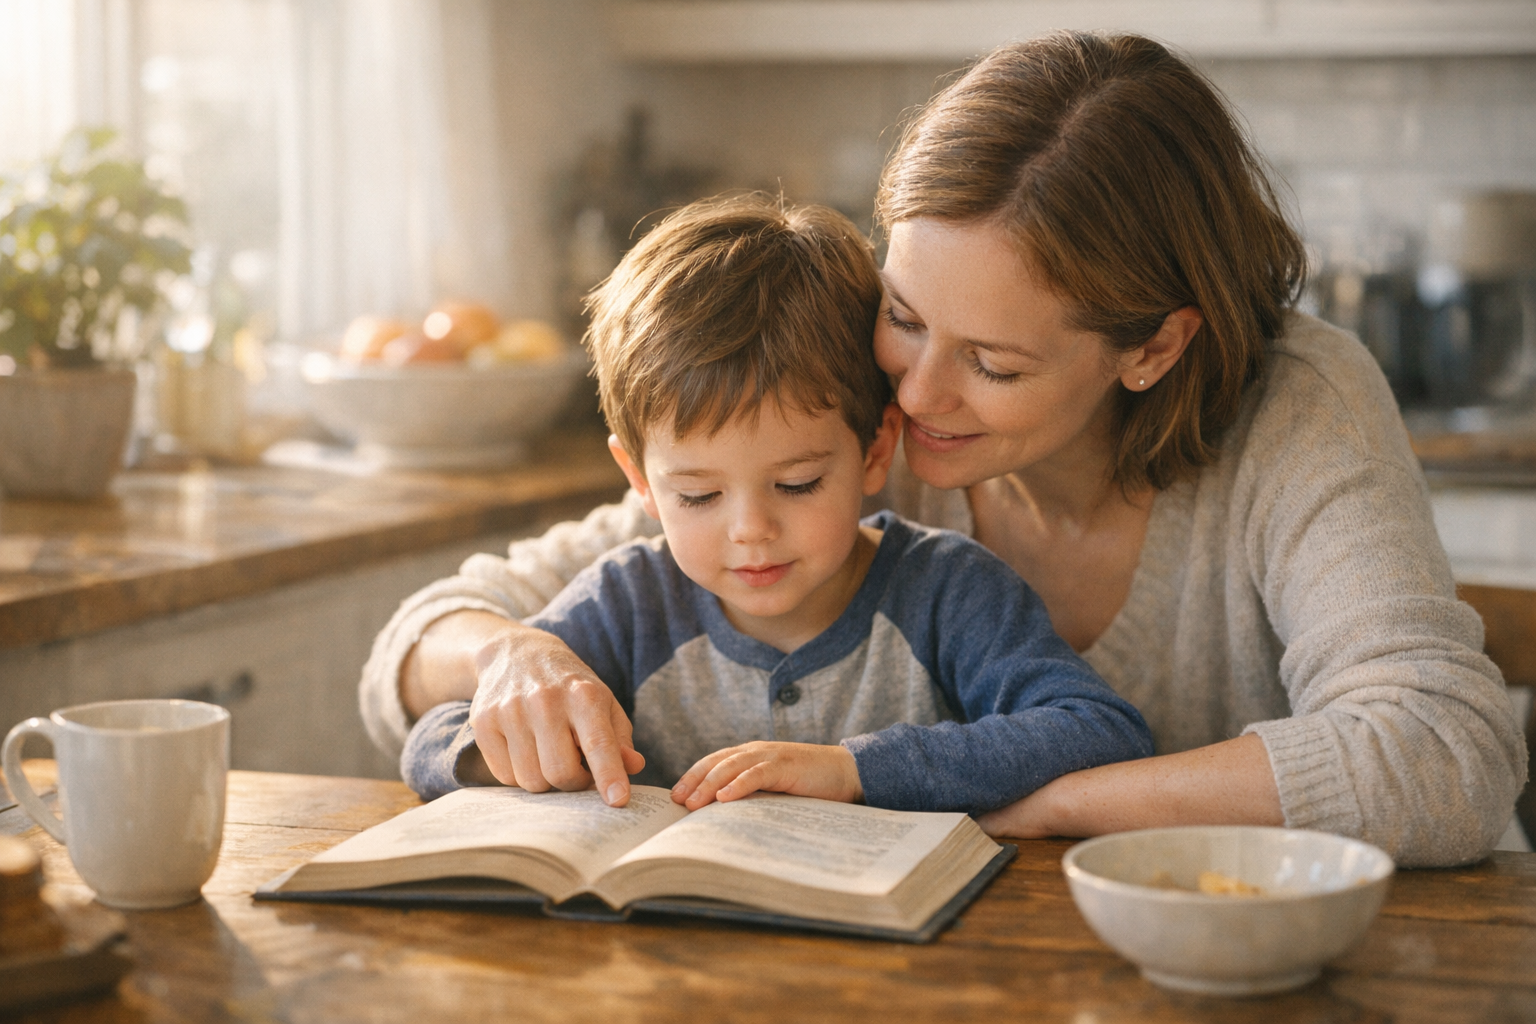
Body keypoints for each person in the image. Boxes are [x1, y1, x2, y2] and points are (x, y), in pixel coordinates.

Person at [362, 33, 1527, 866]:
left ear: (1154, 348)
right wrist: (516, 658)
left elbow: (1444, 757)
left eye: (996, 363)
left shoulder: (1297, 406)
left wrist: (1050, 798)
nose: (915, 393)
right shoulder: (841, 410)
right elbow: (416, 651)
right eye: (906, 315)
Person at [396, 195, 1153, 811]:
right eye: (696, 494)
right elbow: (432, 739)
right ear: (639, 480)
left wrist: (854, 771)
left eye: (797, 484)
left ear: (876, 451)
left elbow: (1097, 730)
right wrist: (521, 751)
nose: (750, 530)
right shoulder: (628, 603)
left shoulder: (947, 593)